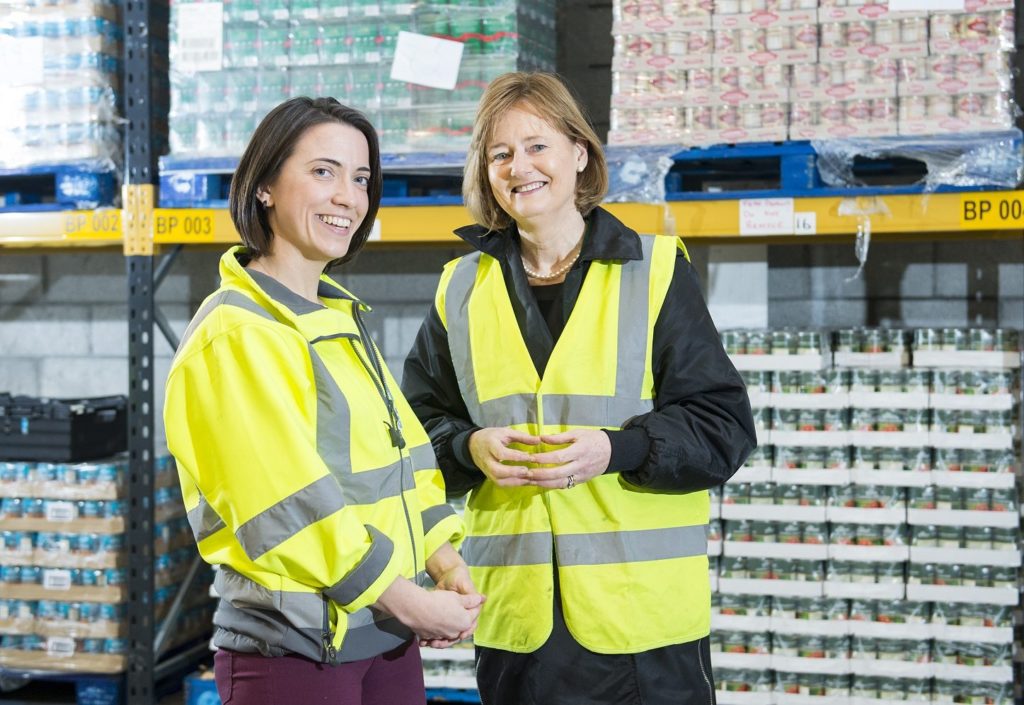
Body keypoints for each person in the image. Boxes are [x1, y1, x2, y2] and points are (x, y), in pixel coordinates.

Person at [402, 73, 757, 705]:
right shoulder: (459, 288)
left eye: (538, 145)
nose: (520, 167)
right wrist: (468, 449)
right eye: (500, 153)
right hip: (519, 627)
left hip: (641, 630)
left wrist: (616, 450)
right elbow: (412, 433)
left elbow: (722, 427)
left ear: (579, 154)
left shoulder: (656, 271)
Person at [164, 97, 484, 705]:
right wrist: (406, 597)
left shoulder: (337, 319)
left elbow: (401, 463)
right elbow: (288, 503)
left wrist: (442, 560)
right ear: (263, 187)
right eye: (323, 171)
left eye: (360, 178)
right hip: (295, 649)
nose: (348, 196)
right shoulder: (237, 333)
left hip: (382, 637)